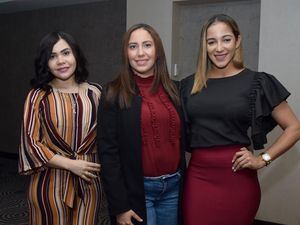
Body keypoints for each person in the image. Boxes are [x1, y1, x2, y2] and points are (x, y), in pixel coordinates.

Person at [180, 14, 300, 225]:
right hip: (198, 180)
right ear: (204, 46)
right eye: (212, 41)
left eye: (226, 39)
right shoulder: (188, 85)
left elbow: (294, 128)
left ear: (238, 40)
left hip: (238, 180)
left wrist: (262, 159)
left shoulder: (257, 82)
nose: (219, 48)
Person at [98, 24, 187, 225]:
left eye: (147, 45)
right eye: (133, 47)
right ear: (126, 53)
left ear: (157, 52)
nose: (140, 53)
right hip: (138, 191)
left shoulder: (175, 89)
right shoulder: (113, 93)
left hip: (174, 187)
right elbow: (108, 153)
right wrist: (119, 207)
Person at [18, 31, 102, 225]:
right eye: (52, 56)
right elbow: (30, 143)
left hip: (88, 182)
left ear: (76, 55)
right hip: (48, 184)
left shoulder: (96, 93)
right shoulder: (37, 96)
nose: (61, 61)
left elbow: (107, 137)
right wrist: (71, 164)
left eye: (66, 53)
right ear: (45, 63)